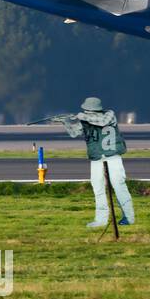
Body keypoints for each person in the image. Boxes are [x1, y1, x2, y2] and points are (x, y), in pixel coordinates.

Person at [62, 97, 136, 229]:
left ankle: (129, 217)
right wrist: (67, 122)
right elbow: (74, 133)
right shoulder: (85, 119)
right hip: (96, 158)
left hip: (113, 157)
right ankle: (100, 220)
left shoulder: (109, 114)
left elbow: (102, 122)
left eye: (86, 111)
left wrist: (81, 116)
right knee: (98, 188)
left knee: (119, 186)